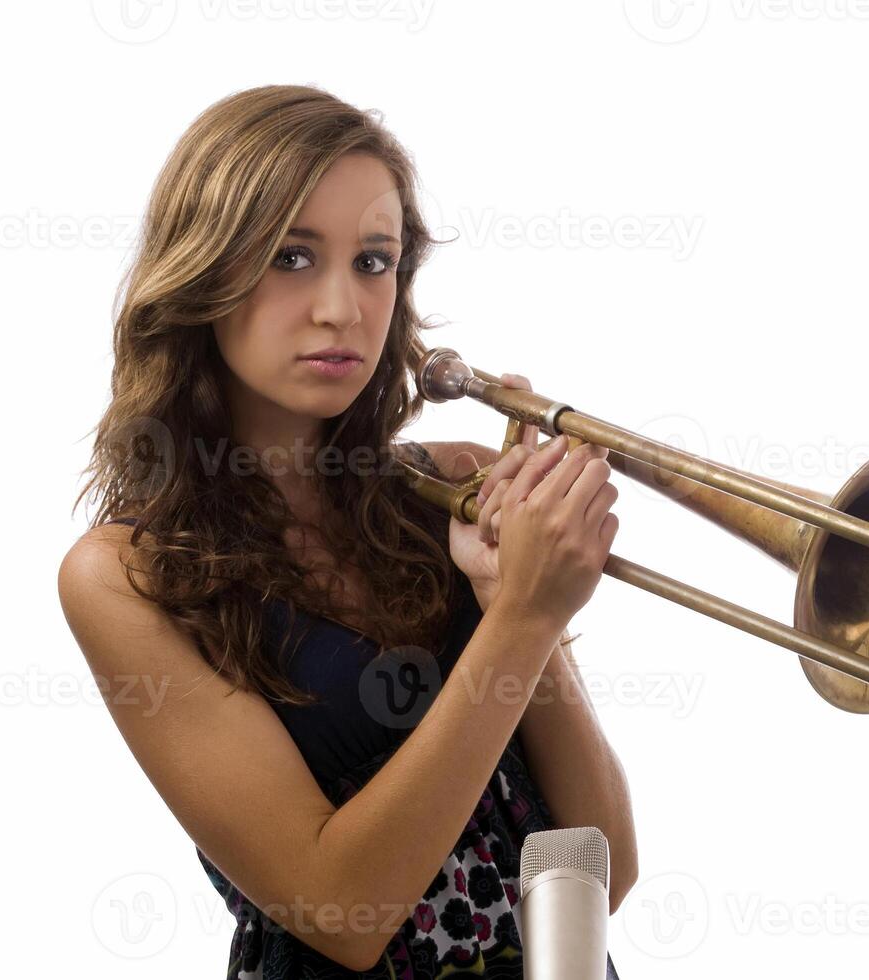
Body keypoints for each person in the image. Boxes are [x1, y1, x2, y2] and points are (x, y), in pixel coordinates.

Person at [59, 83, 636, 977]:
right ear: (204, 271)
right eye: (291, 257)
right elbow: (342, 910)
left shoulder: (444, 485)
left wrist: (515, 610)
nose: (342, 307)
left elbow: (606, 870)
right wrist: (521, 618)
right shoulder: (124, 575)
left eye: (374, 262)